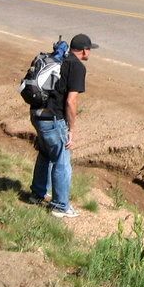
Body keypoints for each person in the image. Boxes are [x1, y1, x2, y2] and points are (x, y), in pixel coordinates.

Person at [28, 33, 98, 218]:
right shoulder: (76, 67)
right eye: (90, 49)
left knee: (45, 154)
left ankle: (37, 194)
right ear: (84, 50)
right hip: (53, 120)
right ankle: (60, 206)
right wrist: (71, 130)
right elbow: (71, 101)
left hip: (37, 115)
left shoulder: (58, 61)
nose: (90, 52)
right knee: (62, 160)